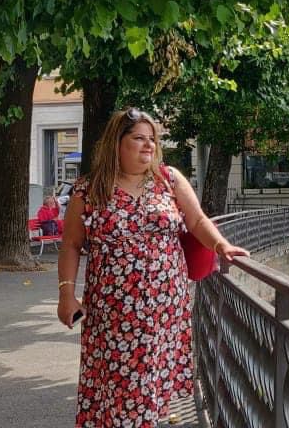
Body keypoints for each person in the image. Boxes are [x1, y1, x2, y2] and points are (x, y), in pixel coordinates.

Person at [56, 108, 248, 426]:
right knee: (120, 390)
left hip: (164, 309)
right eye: (138, 138)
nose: (148, 145)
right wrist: (66, 294)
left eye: (152, 139)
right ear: (116, 143)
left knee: (150, 388)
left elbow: (197, 220)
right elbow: (71, 245)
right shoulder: (88, 189)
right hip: (114, 311)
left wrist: (221, 245)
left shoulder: (168, 179)